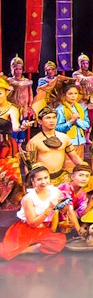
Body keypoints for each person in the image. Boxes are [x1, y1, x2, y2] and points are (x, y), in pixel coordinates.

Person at [1, 163, 71, 260]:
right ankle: (22, 249)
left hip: (43, 229)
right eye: (39, 179)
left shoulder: (55, 192)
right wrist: (49, 209)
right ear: (33, 182)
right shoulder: (28, 198)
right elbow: (33, 223)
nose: (43, 182)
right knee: (5, 253)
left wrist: (63, 209)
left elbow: (58, 210)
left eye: (46, 178)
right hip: (26, 229)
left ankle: (26, 250)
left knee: (59, 242)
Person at [23, 106, 84, 186]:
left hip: (62, 177)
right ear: (40, 121)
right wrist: (30, 183)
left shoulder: (64, 138)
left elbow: (74, 156)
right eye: (48, 118)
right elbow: (28, 165)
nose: (51, 121)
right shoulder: (34, 141)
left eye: (54, 117)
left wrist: (84, 168)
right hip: (44, 181)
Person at [0, 76, 27, 209]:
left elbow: (15, 126)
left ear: (6, 92)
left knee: (11, 174)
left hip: (6, 145)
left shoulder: (12, 109)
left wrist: (22, 127)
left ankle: (10, 202)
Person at [54, 81, 90, 164]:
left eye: (75, 93)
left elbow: (86, 125)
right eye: (70, 94)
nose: (73, 96)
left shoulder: (82, 108)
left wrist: (76, 121)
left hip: (80, 142)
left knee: (79, 167)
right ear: (64, 95)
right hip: (67, 142)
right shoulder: (60, 109)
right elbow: (57, 128)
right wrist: (70, 122)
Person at [7, 55, 33, 144]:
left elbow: (30, 95)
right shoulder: (10, 80)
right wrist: (29, 82)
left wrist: (30, 107)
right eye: (16, 69)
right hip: (13, 108)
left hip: (24, 109)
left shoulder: (26, 80)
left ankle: (19, 148)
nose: (18, 71)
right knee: (13, 130)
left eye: (20, 69)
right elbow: (18, 85)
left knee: (22, 130)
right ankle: (12, 149)